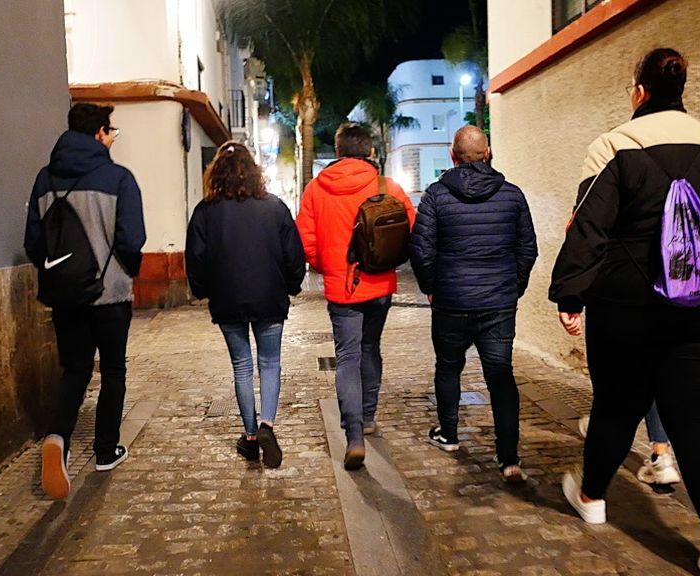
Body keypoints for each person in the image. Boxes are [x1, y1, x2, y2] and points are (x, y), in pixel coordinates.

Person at [549, 48, 700, 576]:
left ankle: (591, 498)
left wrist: (571, 296)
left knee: (616, 405)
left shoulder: (614, 145)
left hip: (628, 303)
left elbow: (588, 228)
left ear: (639, 92)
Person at [25, 103, 146, 499]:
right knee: (113, 371)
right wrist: (128, 269)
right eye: (111, 131)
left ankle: (57, 437)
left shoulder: (44, 181)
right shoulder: (118, 178)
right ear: (98, 133)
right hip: (109, 294)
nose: (112, 138)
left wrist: (60, 273)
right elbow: (131, 239)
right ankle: (105, 450)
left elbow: (34, 243)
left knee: (75, 370)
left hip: (65, 295)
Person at [410, 126, 538, 483]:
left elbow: (421, 250)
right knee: (500, 374)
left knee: (449, 366)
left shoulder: (436, 196)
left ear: (453, 155)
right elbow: (528, 248)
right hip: (498, 302)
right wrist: (514, 287)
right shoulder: (512, 196)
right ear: (488, 153)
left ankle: (449, 435)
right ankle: (509, 457)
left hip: (451, 301)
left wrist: (431, 287)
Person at [295, 123, 415, 470]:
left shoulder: (317, 189)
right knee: (370, 348)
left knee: (347, 356)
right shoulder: (386, 186)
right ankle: (367, 416)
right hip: (379, 285)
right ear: (370, 151)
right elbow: (411, 228)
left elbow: (307, 241)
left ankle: (354, 436)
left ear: (338, 151)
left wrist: (329, 266)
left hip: (342, 288)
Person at [185, 142, 305, 468]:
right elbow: (295, 255)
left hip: (227, 299)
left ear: (215, 174)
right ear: (254, 172)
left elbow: (195, 260)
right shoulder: (275, 207)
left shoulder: (205, 212)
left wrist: (202, 290)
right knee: (270, 363)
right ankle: (267, 423)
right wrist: (291, 286)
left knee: (242, 366)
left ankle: (251, 438)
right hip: (269, 297)